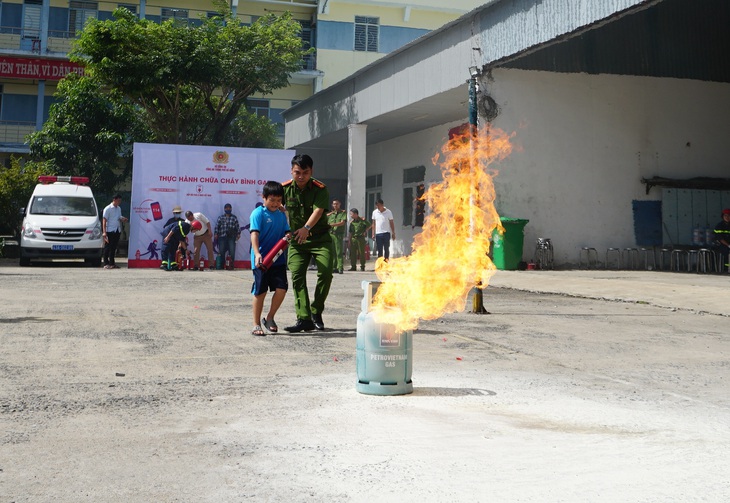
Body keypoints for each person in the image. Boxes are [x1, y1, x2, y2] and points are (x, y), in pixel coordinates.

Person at [282, 154, 333, 333]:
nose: (301, 176)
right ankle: (303, 319)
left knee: (326, 273)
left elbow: (319, 211)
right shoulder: (285, 189)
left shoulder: (320, 189)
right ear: (291, 171)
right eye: (297, 172)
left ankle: (316, 311)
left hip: (320, 238)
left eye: (305, 172)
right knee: (297, 275)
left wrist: (306, 227)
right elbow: (274, 206)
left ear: (311, 171)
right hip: (297, 241)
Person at [249, 181, 290, 336]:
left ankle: (270, 318)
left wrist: (288, 236)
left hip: (277, 259)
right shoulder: (258, 213)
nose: (275, 203)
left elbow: (287, 232)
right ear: (264, 197)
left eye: (278, 200)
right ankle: (256, 324)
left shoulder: (281, 215)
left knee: (282, 289)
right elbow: (254, 234)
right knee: (260, 292)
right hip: (262, 261)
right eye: (272, 200)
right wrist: (257, 253)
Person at [102, 194, 128, 269]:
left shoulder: (118, 208)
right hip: (109, 230)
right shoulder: (108, 208)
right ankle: (106, 263)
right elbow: (104, 220)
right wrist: (104, 232)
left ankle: (112, 263)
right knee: (108, 247)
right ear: (114, 200)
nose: (119, 202)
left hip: (117, 229)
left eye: (120, 200)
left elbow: (118, 217)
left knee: (114, 247)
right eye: (118, 200)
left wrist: (123, 219)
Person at [215, 203, 240, 269]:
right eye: (227, 208)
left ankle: (231, 265)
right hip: (222, 236)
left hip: (231, 237)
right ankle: (222, 266)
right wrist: (216, 234)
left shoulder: (234, 217)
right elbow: (217, 226)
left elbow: (237, 227)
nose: (228, 209)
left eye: (229, 208)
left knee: (232, 251)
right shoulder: (220, 217)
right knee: (222, 251)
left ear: (231, 209)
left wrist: (238, 234)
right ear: (224, 209)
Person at [327, 199, 348, 274]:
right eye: (334, 204)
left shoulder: (343, 213)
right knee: (332, 252)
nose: (335, 205)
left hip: (338, 234)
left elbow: (342, 223)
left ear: (340, 204)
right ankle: (334, 267)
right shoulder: (331, 214)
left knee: (339, 252)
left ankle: (340, 267)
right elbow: (325, 219)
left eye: (337, 204)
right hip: (331, 234)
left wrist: (332, 225)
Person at [712, 208, 730, 272]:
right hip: (720, 244)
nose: (727, 217)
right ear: (723, 216)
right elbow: (720, 238)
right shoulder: (719, 226)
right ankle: (726, 269)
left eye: (729, 215)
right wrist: (728, 245)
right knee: (726, 251)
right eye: (725, 215)